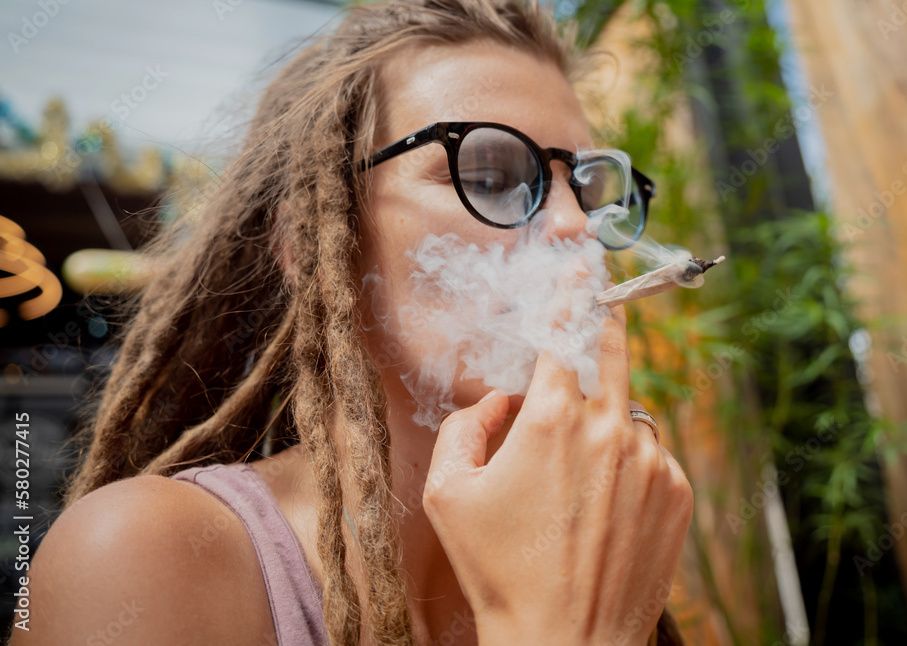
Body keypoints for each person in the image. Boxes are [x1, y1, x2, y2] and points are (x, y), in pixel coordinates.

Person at [14, 0, 693, 644]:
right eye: (488, 176)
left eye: (588, 188)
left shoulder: (600, 546)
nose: (577, 227)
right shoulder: (140, 559)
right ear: (312, 243)